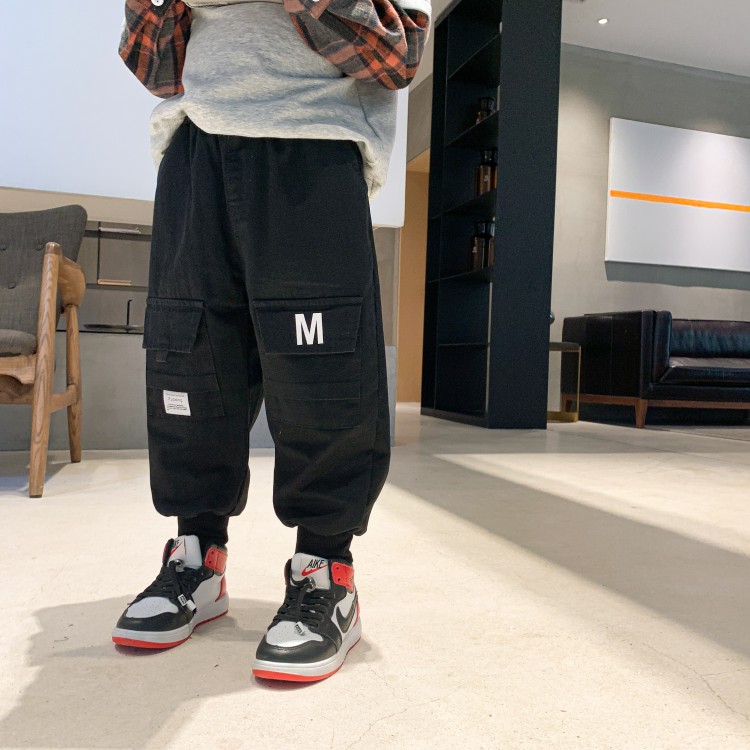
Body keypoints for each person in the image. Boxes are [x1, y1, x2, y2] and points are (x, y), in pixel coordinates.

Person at [110, 0, 430, 682]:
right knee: (189, 362)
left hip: (314, 144)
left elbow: (397, 56)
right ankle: (196, 559)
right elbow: (150, 64)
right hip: (194, 144)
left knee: (323, 375)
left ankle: (326, 571)